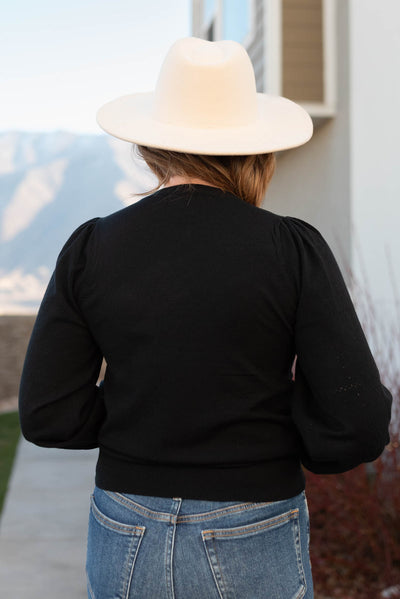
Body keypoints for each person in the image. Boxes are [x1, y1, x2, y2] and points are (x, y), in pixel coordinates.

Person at [19, 37, 392, 599]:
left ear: (150, 147)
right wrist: (273, 434)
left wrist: (139, 419)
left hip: (126, 522)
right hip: (253, 519)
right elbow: (357, 422)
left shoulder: (92, 246)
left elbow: (48, 413)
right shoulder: (291, 248)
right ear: (258, 150)